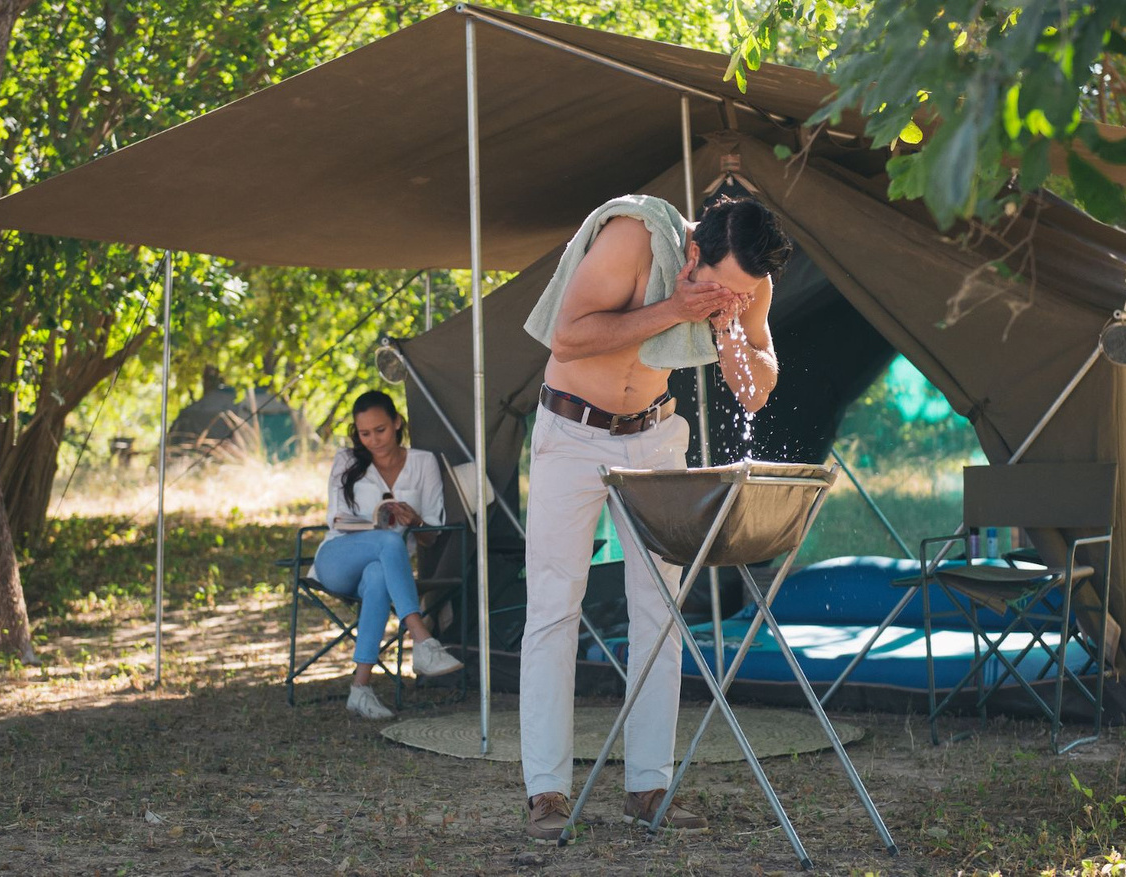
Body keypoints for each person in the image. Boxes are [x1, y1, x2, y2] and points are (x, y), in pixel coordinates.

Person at [519, 195, 792, 841]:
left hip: (655, 434)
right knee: (555, 606)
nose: (734, 297)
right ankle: (547, 791)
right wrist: (675, 309)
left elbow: (756, 388)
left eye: (743, 292)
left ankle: (649, 786)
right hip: (572, 428)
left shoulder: (749, 282)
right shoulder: (632, 235)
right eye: (723, 287)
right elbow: (568, 337)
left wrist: (729, 328)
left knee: (662, 611)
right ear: (694, 252)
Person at [312, 390, 462, 720]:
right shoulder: (347, 460)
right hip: (337, 559)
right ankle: (422, 639)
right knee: (389, 541)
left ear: (397, 423)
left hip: (383, 568)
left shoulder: (423, 462)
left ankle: (360, 689)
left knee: (380, 574)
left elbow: (431, 535)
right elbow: (336, 519)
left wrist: (415, 521)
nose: (373, 440)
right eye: (364, 433)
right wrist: (375, 525)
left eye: (380, 430)